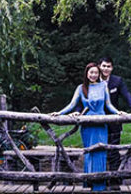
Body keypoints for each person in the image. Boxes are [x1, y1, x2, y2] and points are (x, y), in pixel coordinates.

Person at [51, 63, 126, 191]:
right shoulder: (81, 88)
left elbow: (108, 104)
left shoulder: (103, 86)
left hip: (101, 123)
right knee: (90, 152)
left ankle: (100, 183)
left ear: (99, 74)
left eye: (96, 73)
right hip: (87, 125)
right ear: (87, 74)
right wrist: (59, 113)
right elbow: (72, 104)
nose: (93, 75)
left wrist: (118, 112)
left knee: (101, 152)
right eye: (91, 72)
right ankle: (89, 181)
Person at [98, 57, 131, 189]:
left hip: (114, 122)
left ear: (112, 68)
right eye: (104, 66)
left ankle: (114, 182)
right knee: (99, 150)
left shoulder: (117, 81)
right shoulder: (93, 79)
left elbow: (127, 95)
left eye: (108, 66)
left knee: (114, 151)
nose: (106, 69)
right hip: (96, 122)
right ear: (99, 66)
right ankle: (100, 181)